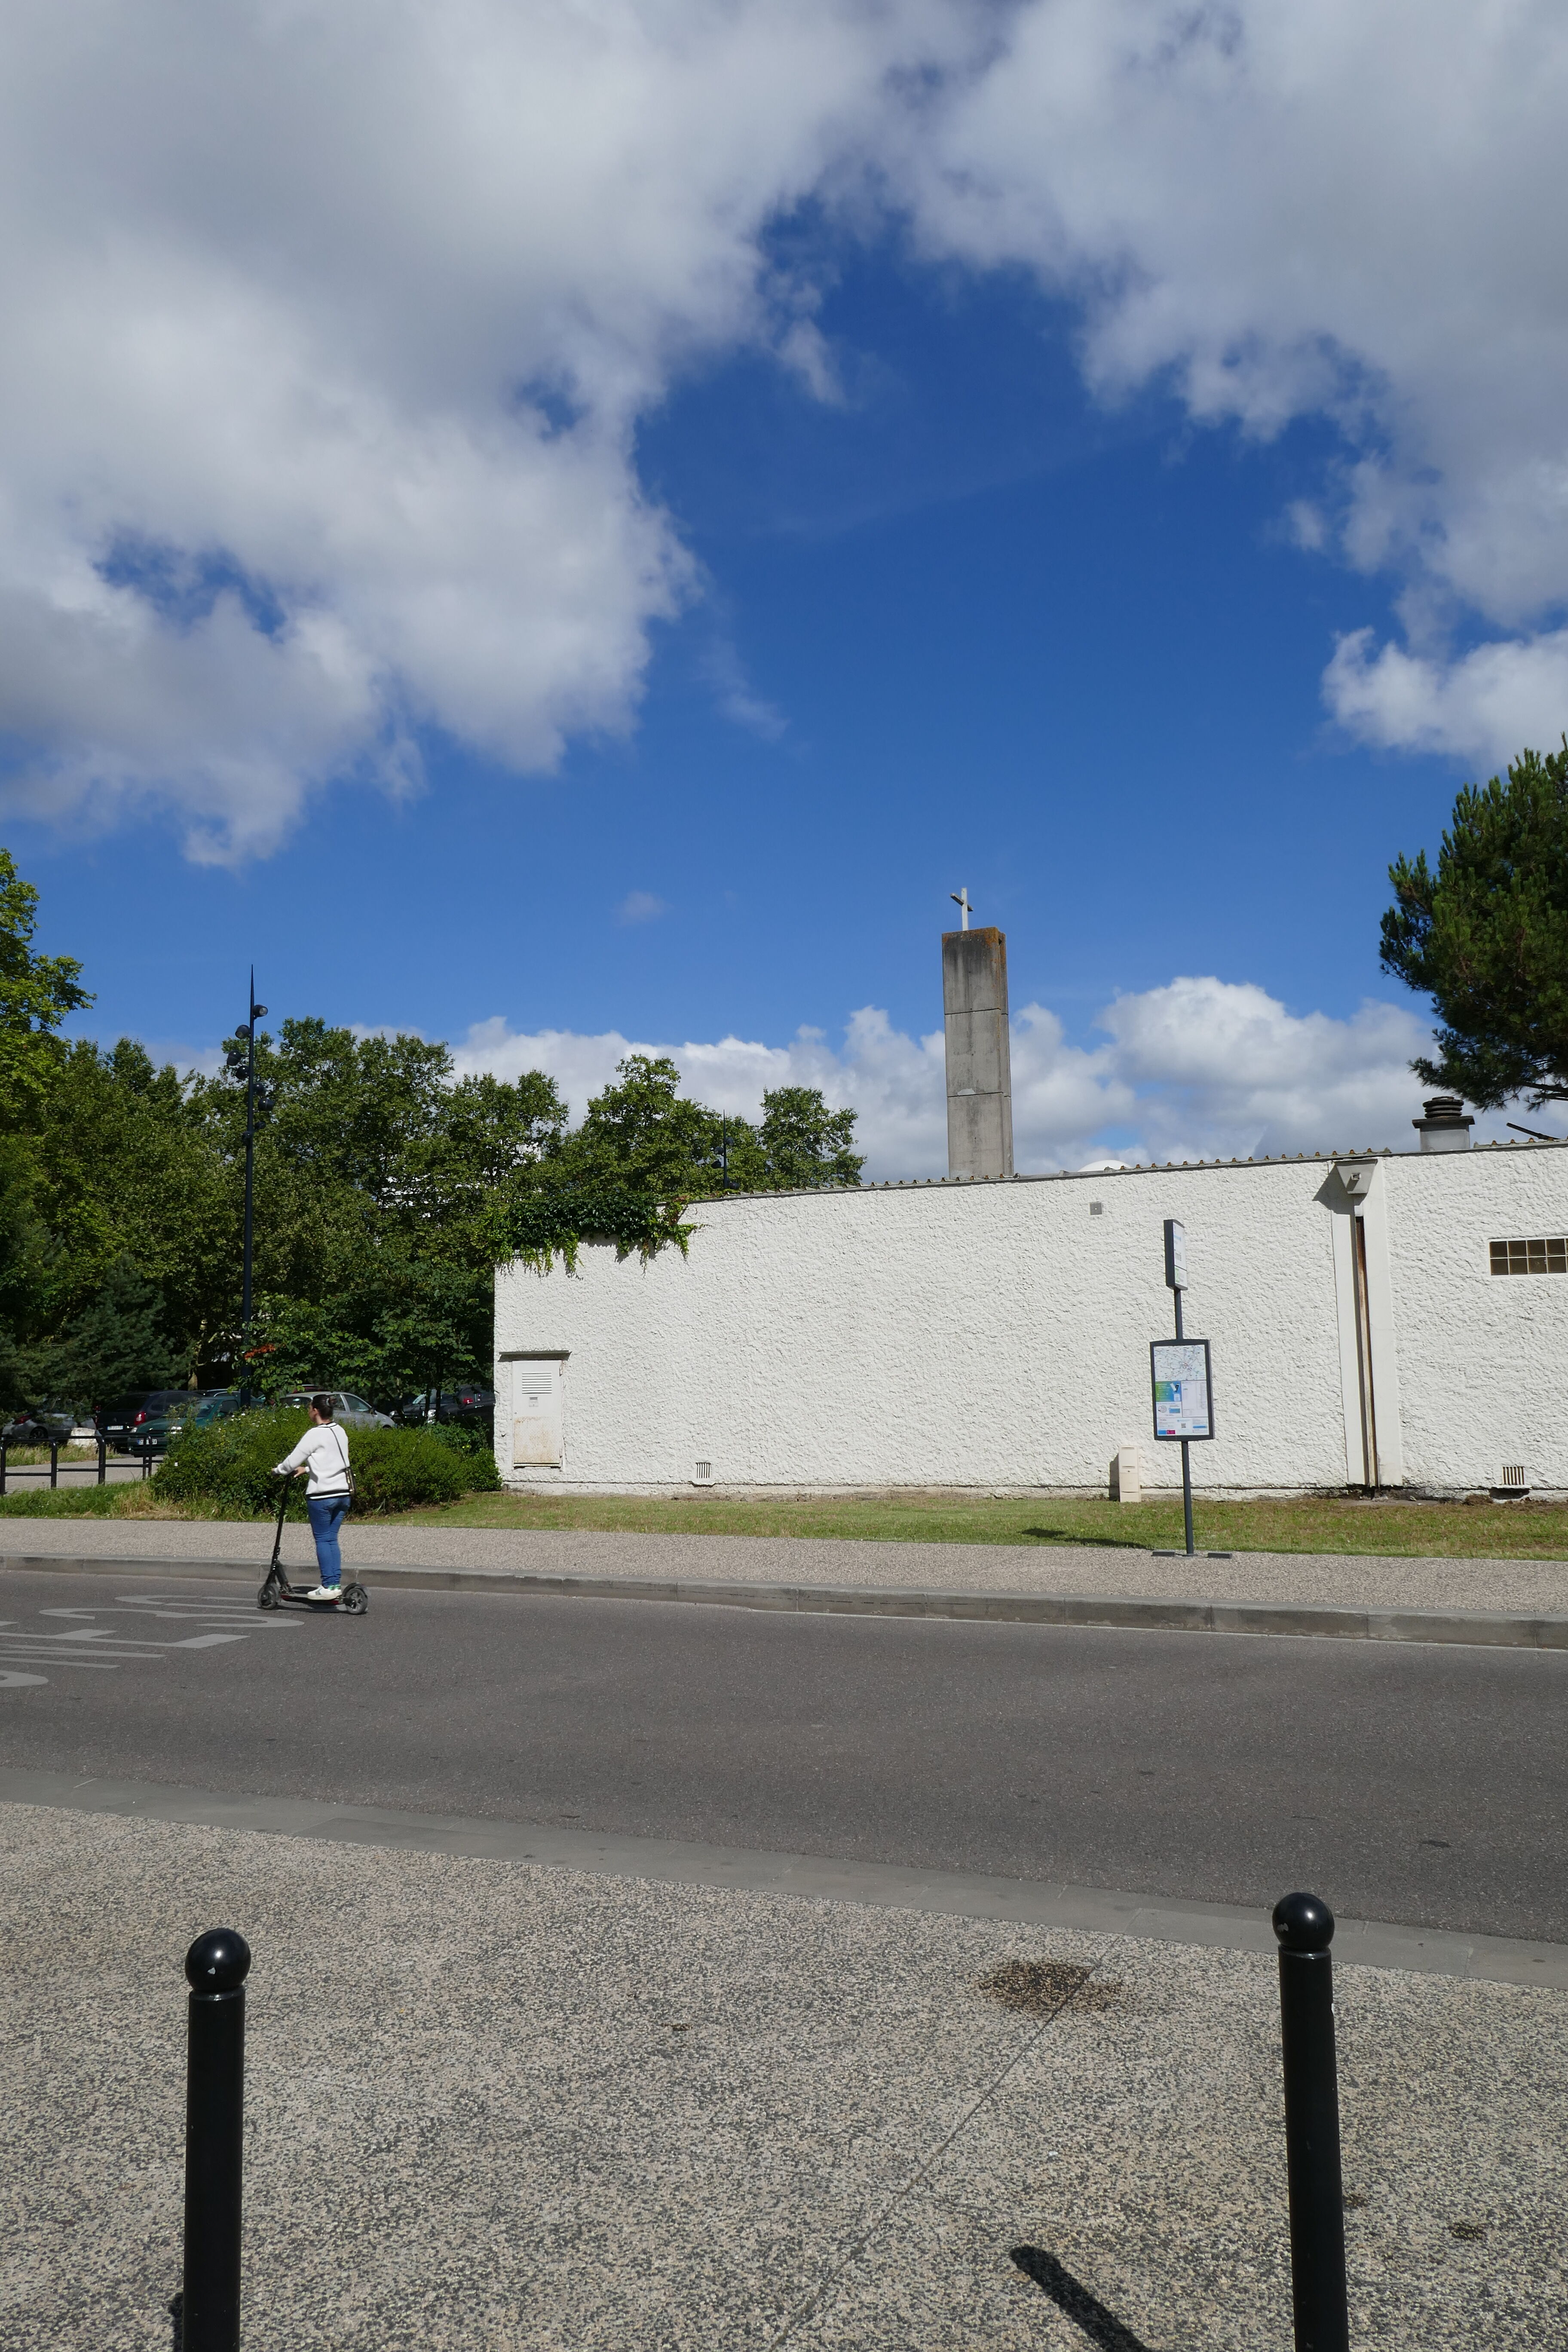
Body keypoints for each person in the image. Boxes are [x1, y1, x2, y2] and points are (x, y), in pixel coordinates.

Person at [274, 1393, 352, 1602]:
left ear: (315, 1411)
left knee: (323, 1540)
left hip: (322, 1497)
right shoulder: (340, 1431)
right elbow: (335, 1461)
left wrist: (278, 1471)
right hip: (343, 1495)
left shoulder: (314, 1434)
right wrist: (308, 1469)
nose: (309, 1411)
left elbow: (291, 1462)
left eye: (309, 1408)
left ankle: (328, 1586)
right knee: (331, 1540)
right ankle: (334, 1584)